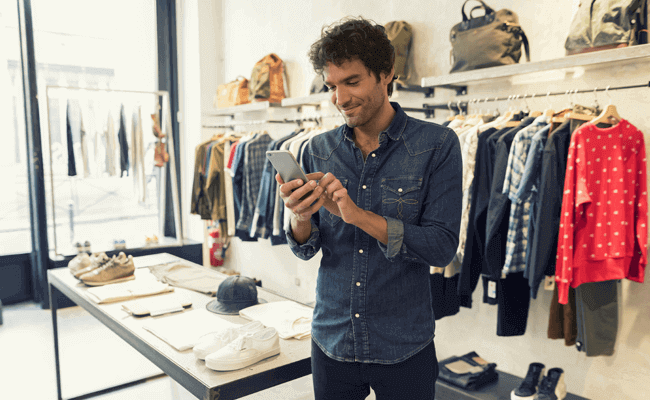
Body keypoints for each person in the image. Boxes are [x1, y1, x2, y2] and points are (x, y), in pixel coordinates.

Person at [277, 16, 462, 400]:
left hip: (403, 345)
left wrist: (359, 216)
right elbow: (306, 248)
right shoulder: (317, 148)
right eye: (332, 86)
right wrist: (300, 217)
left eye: (352, 81)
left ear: (386, 73)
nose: (340, 99)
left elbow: (442, 248)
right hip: (332, 339)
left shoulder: (438, 145)